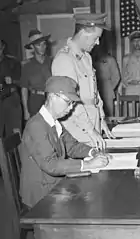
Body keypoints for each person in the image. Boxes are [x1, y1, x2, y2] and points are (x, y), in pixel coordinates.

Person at [19, 76, 110, 208]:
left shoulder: (54, 122)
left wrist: (93, 152)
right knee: (90, 205)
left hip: (56, 186)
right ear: (52, 97)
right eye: (68, 102)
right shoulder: (36, 126)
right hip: (41, 196)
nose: (71, 108)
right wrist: (88, 164)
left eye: (73, 103)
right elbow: (50, 164)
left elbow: (72, 146)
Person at [52, 13, 114, 148]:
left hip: (93, 122)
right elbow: (71, 100)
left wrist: (102, 119)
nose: (97, 42)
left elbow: (95, 93)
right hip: (78, 128)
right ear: (83, 32)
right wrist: (90, 130)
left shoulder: (86, 57)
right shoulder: (65, 59)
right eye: (96, 38)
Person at [20, 29, 52, 120]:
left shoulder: (52, 62)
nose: (42, 47)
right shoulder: (27, 66)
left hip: (50, 99)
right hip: (35, 101)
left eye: (44, 44)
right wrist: (26, 110)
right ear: (32, 47)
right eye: (38, 45)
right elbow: (24, 89)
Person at [92, 32, 121, 116]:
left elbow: (116, 76)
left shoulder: (109, 59)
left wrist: (109, 88)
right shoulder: (89, 59)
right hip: (93, 88)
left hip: (107, 87)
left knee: (108, 113)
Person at [0, 39, 22, 137]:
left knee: (14, 134)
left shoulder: (12, 62)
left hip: (11, 99)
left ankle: (15, 152)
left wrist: (12, 81)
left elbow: (23, 81)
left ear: (3, 47)